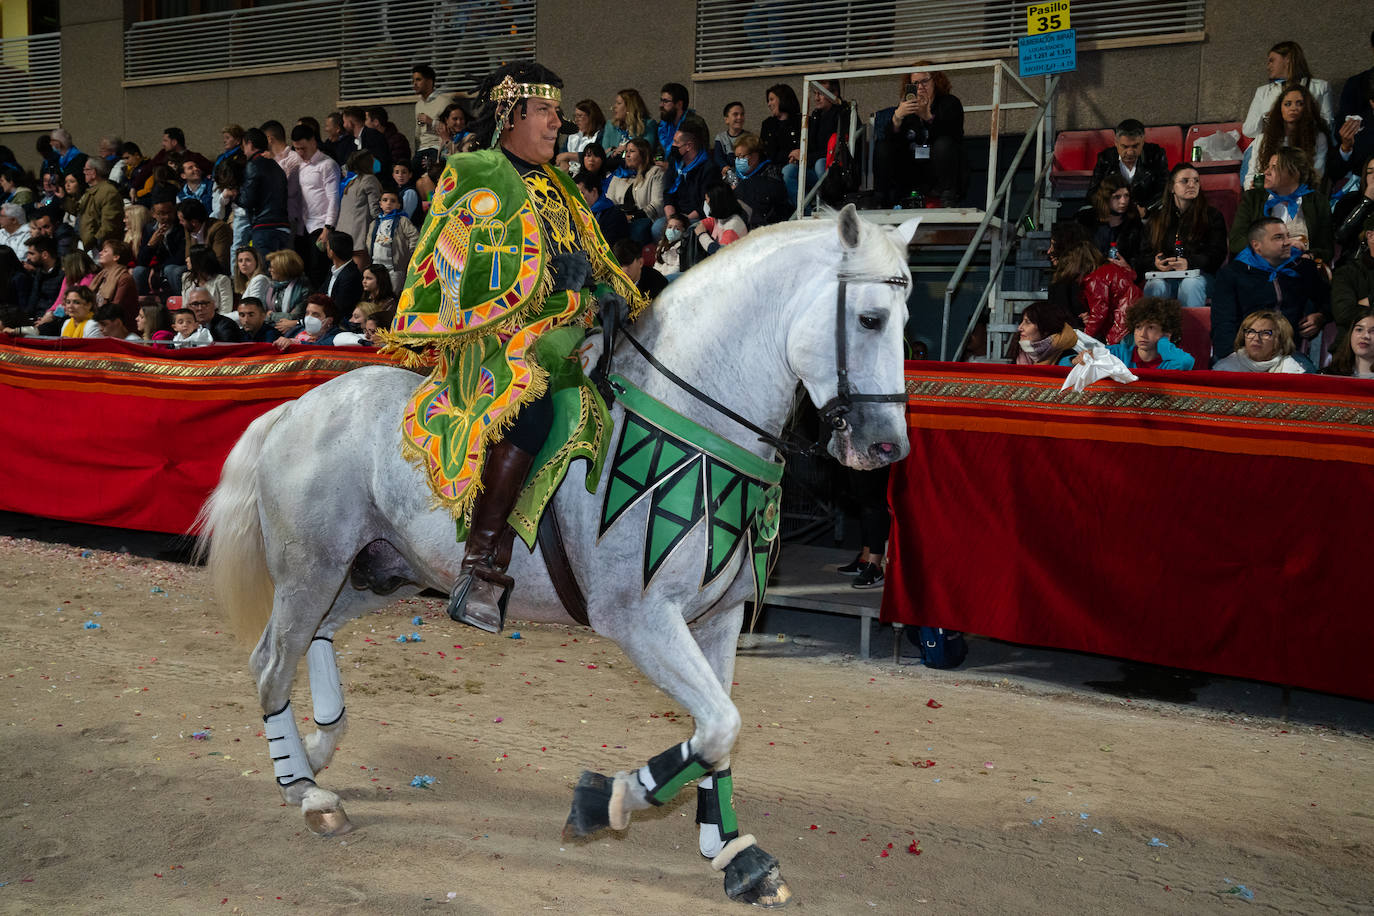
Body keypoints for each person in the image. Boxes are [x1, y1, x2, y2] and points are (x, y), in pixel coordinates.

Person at [380, 60, 645, 632]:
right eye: (546, 112)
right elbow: (451, 270)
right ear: (512, 114)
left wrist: (603, 290)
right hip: (496, 340)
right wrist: (549, 283)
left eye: (557, 112)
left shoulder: (560, 183)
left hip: (569, 329)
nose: (557, 123)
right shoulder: (475, 170)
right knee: (533, 408)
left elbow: (594, 259)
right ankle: (481, 563)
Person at [1212, 217, 1328, 361]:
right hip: (1243, 353)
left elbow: (1328, 301)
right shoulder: (1232, 274)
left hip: (1288, 353)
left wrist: (1321, 317)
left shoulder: (1303, 268)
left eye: (1287, 236)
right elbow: (1223, 322)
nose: (1287, 242)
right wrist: (1233, 358)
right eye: (1278, 237)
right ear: (1257, 245)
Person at [1138, 163, 1228, 309]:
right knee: (1155, 285)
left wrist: (1189, 263)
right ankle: (1155, 331)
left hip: (1201, 276)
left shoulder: (1212, 216)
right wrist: (1155, 263)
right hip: (1165, 277)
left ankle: (1189, 332)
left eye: (1196, 181)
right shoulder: (1156, 218)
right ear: (1172, 187)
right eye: (1185, 181)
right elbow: (1143, 255)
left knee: (1190, 284)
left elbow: (1217, 254)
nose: (1192, 184)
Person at [874, 65, 966, 207]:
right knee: (882, 145)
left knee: (944, 145)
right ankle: (880, 199)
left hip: (939, 169)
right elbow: (893, 144)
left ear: (935, 81)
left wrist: (927, 116)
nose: (920, 87)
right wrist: (897, 119)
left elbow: (952, 136)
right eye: (915, 83)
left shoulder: (949, 103)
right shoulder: (908, 107)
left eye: (925, 81)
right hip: (913, 169)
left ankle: (948, 198)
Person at [1229, 148, 1333, 265]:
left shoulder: (1317, 202)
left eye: (1274, 167)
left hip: (1300, 267)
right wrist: (1273, 248)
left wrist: (1309, 255)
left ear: (1294, 173)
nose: (1266, 172)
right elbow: (1236, 242)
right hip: (1258, 268)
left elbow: (1327, 249)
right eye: (1268, 167)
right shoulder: (1253, 198)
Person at [1048, 221, 1139, 345]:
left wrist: (1085, 337)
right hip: (1128, 314)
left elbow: (1099, 312)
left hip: (1124, 318)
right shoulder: (1103, 272)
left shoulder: (1095, 279)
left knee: (1114, 347)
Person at [1241, 41, 1335, 144]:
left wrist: (1303, 117)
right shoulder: (1262, 91)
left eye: (1272, 61)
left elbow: (1328, 126)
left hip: (1308, 144)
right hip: (1269, 145)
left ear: (1288, 59)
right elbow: (1248, 131)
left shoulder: (1321, 87)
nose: (1268, 66)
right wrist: (1267, 119)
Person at [1242, 83, 1329, 189]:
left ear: (1307, 108)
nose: (1293, 108)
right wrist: (1252, 189)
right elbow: (1252, 175)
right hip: (1267, 195)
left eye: (1300, 104)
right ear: (1280, 108)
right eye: (1287, 104)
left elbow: (1317, 175)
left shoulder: (1318, 138)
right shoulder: (1263, 139)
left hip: (1301, 195)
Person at [291, 124, 341, 289]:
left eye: (303, 148)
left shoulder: (327, 164)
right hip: (301, 227)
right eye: (296, 148)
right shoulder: (299, 166)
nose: (300, 152)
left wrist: (328, 227)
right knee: (302, 271)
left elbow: (333, 198)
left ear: (313, 141)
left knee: (317, 271)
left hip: (320, 225)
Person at [1087, 119, 1170, 214]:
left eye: (1135, 146)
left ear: (1143, 142)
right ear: (1116, 143)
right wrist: (1112, 207)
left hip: (1145, 214)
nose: (1130, 152)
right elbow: (1093, 193)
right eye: (1125, 147)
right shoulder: (1106, 158)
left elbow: (1164, 190)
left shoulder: (1155, 155)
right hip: (1113, 213)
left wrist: (1146, 210)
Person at [232, 128, 291, 256]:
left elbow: (247, 200)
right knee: (282, 272)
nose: (243, 150)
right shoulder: (276, 166)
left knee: (265, 271)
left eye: (244, 146)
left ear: (250, 144)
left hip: (264, 227)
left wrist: (235, 195)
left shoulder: (253, 165)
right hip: (283, 226)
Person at [1076, 174, 1144, 278]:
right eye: (1117, 197)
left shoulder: (1133, 223)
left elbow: (1142, 258)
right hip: (1092, 279)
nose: (1123, 201)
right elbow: (1077, 258)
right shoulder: (1086, 221)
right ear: (1106, 198)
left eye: (1127, 195)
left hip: (1123, 280)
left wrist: (1129, 268)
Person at [1101, 297, 1195, 370]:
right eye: (1138, 327)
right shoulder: (1119, 354)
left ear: (1166, 332)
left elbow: (1186, 362)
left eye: (1151, 328)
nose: (1142, 334)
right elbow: (1092, 353)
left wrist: (1164, 342)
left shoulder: (1170, 364)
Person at [658, 116, 712, 240]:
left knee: (690, 231)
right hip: (676, 216)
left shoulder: (708, 168)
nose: (673, 145)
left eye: (676, 142)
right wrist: (672, 220)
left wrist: (684, 221)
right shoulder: (674, 162)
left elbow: (705, 205)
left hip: (696, 217)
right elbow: (668, 195)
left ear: (688, 146)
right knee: (657, 227)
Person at [605, 137, 665, 245]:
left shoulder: (654, 173)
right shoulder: (619, 175)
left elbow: (657, 204)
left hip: (644, 218)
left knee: (636, 231)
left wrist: (633, 217)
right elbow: (609, 202)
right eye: (626, 151)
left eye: (632, 151)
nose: (627, 155)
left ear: (643, 154)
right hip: (620, 218)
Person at [1212, 310, 1310, 373]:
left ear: (1279, 340)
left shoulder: (1293, 371)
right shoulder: (1224, 368)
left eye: (1265, 333)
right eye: (1251, 332)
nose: (1256, 338)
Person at [1331, 214, 1374, 351]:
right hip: (1350, 354)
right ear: (1371, 236)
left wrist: (1367, 302)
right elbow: (1344, 314)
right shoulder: (1347, 272)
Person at [731, 132, 789, 228]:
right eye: (736, 157)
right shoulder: (733, 174)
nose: (738, 161)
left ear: (754, 156)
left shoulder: (771, 173)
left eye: (742, 157)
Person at [365, 190, 419, 291]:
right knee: (376, 292)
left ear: (398, 205)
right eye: (385, 200)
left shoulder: (403, 220)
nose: (388, 203)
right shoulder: (375, 223)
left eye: (393, 201)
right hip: (376, 264)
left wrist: (409, 254)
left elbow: (414, 237)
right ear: (380, 204)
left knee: (392, 293)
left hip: (394, 267)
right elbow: (368, 241)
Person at [133, 194, 185, 295]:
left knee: (171, 270)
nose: (166, 217)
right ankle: (144, 302)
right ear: (153, 214)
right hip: (160, 268)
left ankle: (179, 302)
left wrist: (158, 270)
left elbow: (180, 257)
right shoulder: (149, 229)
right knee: (138, 271)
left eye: (169, 212)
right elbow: (141, 261)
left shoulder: (181, 227)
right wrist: (150, 244)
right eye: (161, 213)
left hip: (176, 266)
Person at [759, 83, 802, 202]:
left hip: (799, 167)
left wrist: (798, 154)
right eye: (768, 100)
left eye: (772, 99)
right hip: (774, 169)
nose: (769, 104)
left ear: (783, 99)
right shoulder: (768, 124)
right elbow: (768, 153)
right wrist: (791, 153)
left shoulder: (801, 121)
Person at [336, 151, 383, 262]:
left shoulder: (352, 181)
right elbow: (375, 211)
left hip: (343, 237)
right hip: (358, 239)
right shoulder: (370, 180)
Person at [1332, 157, 1374, 267]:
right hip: (1352, 267)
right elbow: (1340, 236)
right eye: (1370, 172)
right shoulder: (1349, 200)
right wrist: (1365, 202)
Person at [76, 157, 124, 251]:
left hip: (99, 248)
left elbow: (109, 225)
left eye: (86, 169)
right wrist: (63, 198)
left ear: (93, 172)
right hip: (89, 244)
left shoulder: (108, 192)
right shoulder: (92, 191)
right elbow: (80, 211)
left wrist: (94, 241)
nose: (83, 172)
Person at [689, 183, 748, 257]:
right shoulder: (725, 215)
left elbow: (720, 254)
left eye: (708, 202)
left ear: (715, 203)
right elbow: (713, 221)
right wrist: (698, 225)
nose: (706, 204)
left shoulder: (732, 227)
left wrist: (702, 235)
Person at [574, 169, 629, 247]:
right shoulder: (579, 214)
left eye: (581, 194)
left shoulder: (613, 215)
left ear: (593, 192)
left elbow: (607, 246)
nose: (576, 199)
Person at [1014, 299, 1078, 365]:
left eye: (1027, 322)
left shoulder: (1069, 359)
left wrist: (1074, 362)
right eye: (1022, 322)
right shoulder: (1020, 353)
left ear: (1046, 328)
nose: (1020, 328)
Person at [91, 239, 139, 326]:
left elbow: (115, 308)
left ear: (116, 257)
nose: (100, 253)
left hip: (117, 326)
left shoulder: (125, 279)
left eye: (105, 251)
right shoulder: (101, 276)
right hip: (100, 320)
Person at [412, 63, 450, 171]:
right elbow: (417, 132)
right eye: (413, 81)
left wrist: (431, 121)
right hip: (421, 149)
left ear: (429, 81)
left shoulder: (444, 102)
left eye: (418, 80)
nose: (414, 84)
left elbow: (450, 130)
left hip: (436, 147)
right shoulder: (418, 105)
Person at [177, 199, 232, 271]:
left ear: (194, 222)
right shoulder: (189, 228)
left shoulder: (219, 228)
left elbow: (220, 261)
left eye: (182, 220)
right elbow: (188, 256)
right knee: (171, 270)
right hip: (196, 270)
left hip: (215, 271)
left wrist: (195, 263)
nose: (180, 223)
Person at [180, 244, 234, 316]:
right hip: (192, 322)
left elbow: (226, 310)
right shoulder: (186, 278)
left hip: (216, 321)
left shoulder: (222, 280)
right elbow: (185, 306)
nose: (186, 259)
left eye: (190, 256)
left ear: (200, 261)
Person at [556, 99, 606, 175]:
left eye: (580, 116)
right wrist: (563, 162)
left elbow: (596, 156)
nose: (576, 120)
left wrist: (568, 155)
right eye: (575, 116)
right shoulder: (573, 135)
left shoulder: (600, 135)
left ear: (591, 117)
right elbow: (561, 154)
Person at [274, 292, 339, 348]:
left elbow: (320, 348)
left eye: (315, 314)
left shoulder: (335, 336)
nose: (309, 318)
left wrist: (296, 343)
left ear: (329, 320)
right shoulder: (296, 330)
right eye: (307, 313)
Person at [604, 88, 655, 160]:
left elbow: (646, 151)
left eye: (618, 103)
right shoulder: (610, 125)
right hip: (613, 167)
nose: (614, 107)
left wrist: (628, 149)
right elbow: (603, 153)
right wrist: (614, 152)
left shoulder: (647, 125)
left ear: (630, 107)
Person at [265, 247, 310, 328]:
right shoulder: (272, 286)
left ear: (283, 269)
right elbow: (262, 314)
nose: (269, 270)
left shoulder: (303, 289)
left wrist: (271, 315)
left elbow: (295, 317)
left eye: (272, 267)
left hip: (294, 328)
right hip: (272, 326)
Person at [365, 106, 412, 177]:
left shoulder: (397, 140)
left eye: (365, 119)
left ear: (376, 122)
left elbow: (398, 166)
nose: (363, 123)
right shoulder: (370, 140)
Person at [657, 82, 690, 161]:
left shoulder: (693, 125)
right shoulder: (663, 125)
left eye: (665, 101)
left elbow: (694, 156)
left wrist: (670, 167)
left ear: (679, 104)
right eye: (661, 100)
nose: (661, 105)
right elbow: (659, 151)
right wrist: (658, 160)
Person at [713, 101, 747, 174]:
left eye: (742, 114)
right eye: (735, 114)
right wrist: (725, 167)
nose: (740, 117)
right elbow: (718, 157)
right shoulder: (721, 138)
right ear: (726, 119)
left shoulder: (749, 137)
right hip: (727, 173)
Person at [655, 211, 691, 278]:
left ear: (683, 231)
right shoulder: (661, 243)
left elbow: (678, 267)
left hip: (675, 276)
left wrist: (665, 277)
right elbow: (658, 263)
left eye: (677, 228)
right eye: (669, 227)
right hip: (662, 274)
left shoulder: (683, 246)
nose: (672, 230)